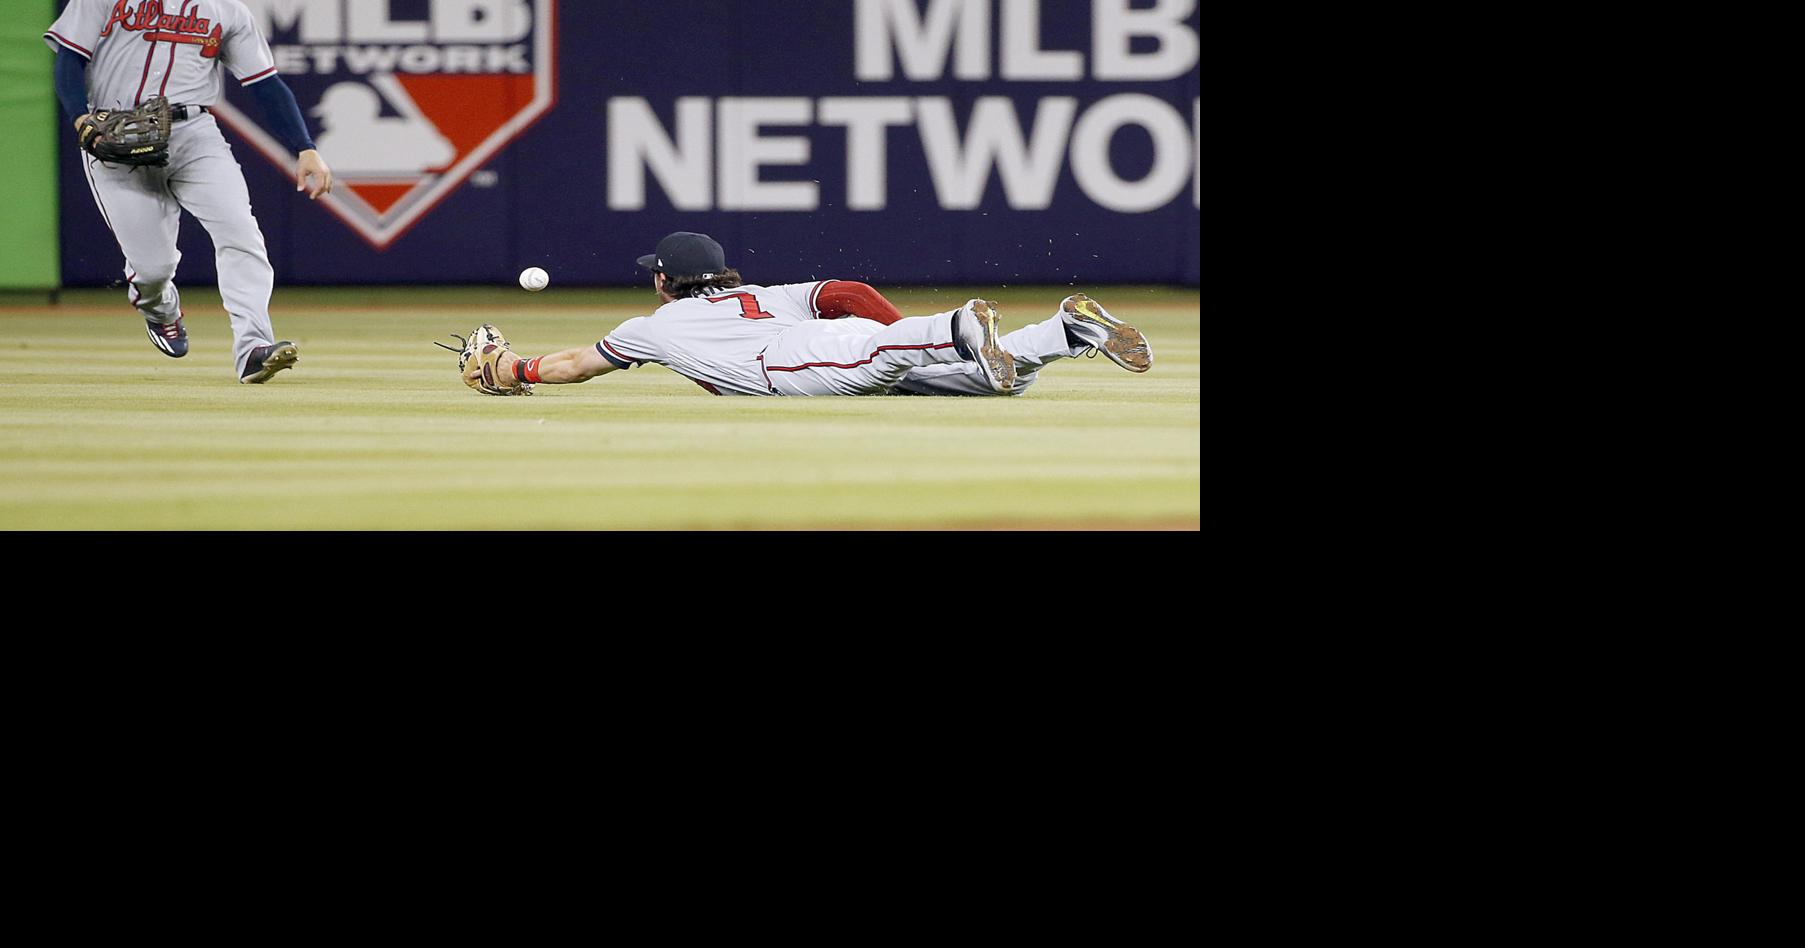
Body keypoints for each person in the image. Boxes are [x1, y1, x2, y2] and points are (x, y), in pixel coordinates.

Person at [473, 232, 1154, 398]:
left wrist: (513, 368)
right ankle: (1065, 329)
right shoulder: (763, 292)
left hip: (788, 362)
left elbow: (571, 366)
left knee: (878, 353)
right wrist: (895, 334)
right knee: (987, 384)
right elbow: (848, 292)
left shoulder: (647, 328)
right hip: (832, 342)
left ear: (661, 280)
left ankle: (961, 326)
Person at [45, 0, 334, 384]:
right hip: (113, 130)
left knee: (240, 232)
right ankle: (160, 309)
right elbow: (70, 57)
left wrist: (304, 146)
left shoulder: (228, 11)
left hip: (194, 133)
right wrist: (79, 117)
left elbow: (265, 83)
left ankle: (253, 347)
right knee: (153, 268)